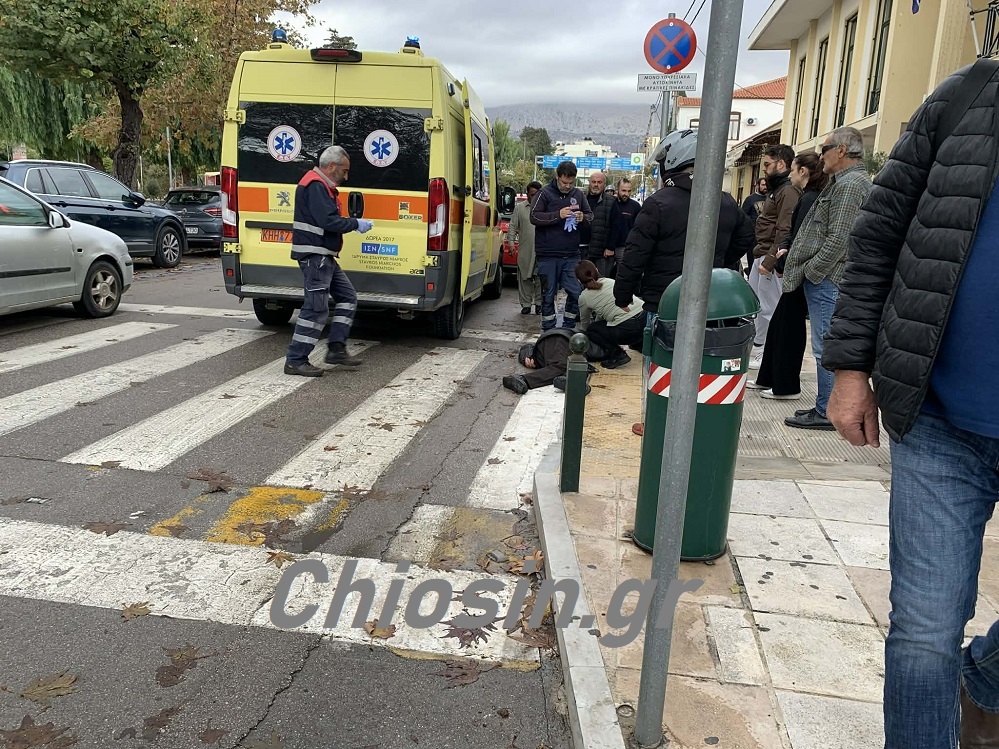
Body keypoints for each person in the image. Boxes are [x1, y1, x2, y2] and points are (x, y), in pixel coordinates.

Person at [822, 59, 999, 749]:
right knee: (925, 632)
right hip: (940, 423)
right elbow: (876, 241)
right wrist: (849, 370)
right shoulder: (963, 99)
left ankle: (982, 677)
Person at [780, 126, 871, 430]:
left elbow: (840, 238)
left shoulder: (849, 186)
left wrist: (813, 271)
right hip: (827, 278)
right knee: (825, 345)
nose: (820, 158)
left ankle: (826, 410)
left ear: (841, 151)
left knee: (824, 347)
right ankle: (825, 405)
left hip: (828, 279)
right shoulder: (844, 182)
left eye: (825, 150)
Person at [614, 128, 755, 315]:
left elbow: (635, 254)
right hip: (710, 301)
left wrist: (622, 294)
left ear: (674, 159)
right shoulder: (726, 201)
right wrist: (718, 261)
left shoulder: (657, 204)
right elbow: (746, 237)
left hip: (664, 302)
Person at [284, 146, 373, 377]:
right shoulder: (315, 185)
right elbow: (328, 221)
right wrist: (355, 224)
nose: (346, 176)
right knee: (315, 308)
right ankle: (295, 360)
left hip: (323, 256)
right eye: (344, 171)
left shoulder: (320, 185)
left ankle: (336, 349)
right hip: (316, 256)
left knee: (347, 297)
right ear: (332, 166)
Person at [747, 152, 827, 401]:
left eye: (793, 169)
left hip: (797, 270)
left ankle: (785, 384)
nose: (790, 174)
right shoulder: (804, 195)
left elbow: (796, 234)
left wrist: (777, 259)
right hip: (792, 266)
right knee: (779, 323)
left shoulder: (805, 197)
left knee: (785, 325)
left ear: (803, 171)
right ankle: (770, 378)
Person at [748, 144, 800, 369]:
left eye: (767, 164)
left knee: (769, 308)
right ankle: (758, 347)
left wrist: (770, 261)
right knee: (756, 305)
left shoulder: (787, 192)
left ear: (781, 164)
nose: (764, 169)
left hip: (769, 257)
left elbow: (785, 228)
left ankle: (765, 352)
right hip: (762, 253)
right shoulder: (777, 190)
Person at [530, 161, 593, 331]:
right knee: (548, 293)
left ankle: (568, 326)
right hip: (548, 254)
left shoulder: (578, 194)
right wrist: (557, 215)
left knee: (576, 292)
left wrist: (583, 218)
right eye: (564, 182)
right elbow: (534, 217)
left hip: (571, 254)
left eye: (571, 183)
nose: (567, 186)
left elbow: (590, 215)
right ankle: (548, 329)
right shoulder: (544, 193)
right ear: (557, 176)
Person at [575, 259, 644, 369]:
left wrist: (589, 337)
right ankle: (639, 344)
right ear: (596, 270)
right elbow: (603, 313)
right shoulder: (610, 281)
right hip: (644, 319)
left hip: (627, 329)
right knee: (611, 323)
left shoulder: (584, 297)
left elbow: (585, 323)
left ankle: (618, 354)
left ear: (579, 280)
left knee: (592, 330)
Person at [502, 329, 593, 395]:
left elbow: (527, 346)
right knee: (565, 365)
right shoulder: (581, 341)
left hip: (545, 345)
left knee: (568, 365)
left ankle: (568, 378)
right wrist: (528, 356)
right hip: (562, 340)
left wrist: (527, 356)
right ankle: (523, 379)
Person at [507, 181, 543, 314]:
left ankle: (539, 304)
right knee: (524, 278)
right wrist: (511, 244)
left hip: (541, 250)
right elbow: (512, 226)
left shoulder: (545, 207)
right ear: (527, 194)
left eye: (537, 195)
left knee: (540, 278)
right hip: (525, 250)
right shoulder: (520, 208)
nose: (535, 197)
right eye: (532, 195)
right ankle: (526, 304)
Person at [579, 172, 616, 276]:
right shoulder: (581, 199)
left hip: (602, 252)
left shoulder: (612, 202)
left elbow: (616, 226)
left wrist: (610, 247)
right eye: (593, 182)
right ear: (589, 183)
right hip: (581, 249)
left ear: (604, 184)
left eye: (599, 182)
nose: (596, 185)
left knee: (601, 281)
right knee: (581, 280)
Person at [606, 178, 642, 279]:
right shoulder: (611, 204)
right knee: (605, 277)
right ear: (617, 190)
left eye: (629, 191)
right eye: (623, 190)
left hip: (625, 248)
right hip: (607, 247)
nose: (626, 194)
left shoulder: (635, 206)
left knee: (622, 276)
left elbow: (640, 227)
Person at [741, 177, 769, 275]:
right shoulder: (750, 199)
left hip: (766, 236)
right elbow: (743, 216)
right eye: (763, 185)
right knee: (752, 260)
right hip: (753, 236)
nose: (765, 187)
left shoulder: (770, 198)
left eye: (766, 185)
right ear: (757, 185)